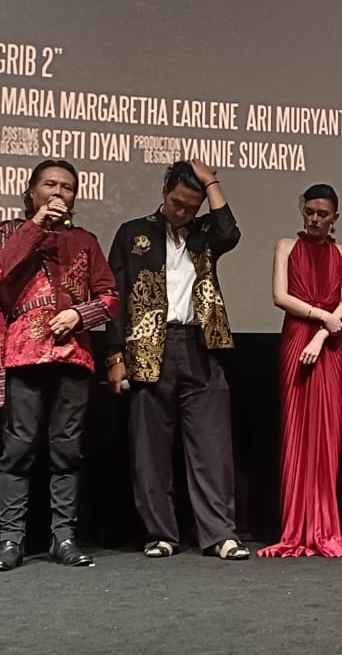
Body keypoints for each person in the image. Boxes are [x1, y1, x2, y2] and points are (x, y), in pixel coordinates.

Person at [105, 160, 250, 561]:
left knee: (212, 446)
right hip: (147, 347)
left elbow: (230, 231)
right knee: (149, 449)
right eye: (176, 203)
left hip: (200, 345)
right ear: (164, 191)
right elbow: (115, 296)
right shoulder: (133, 233)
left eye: (191, 206)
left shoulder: (205, 234)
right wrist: (115, 355)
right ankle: (161, 533)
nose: (182, 212)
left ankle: (220, 534)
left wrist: (210, 180)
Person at [0, 160, 118, 571]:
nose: (59, 193)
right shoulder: (8, 231)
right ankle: (11, 540)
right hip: (23, 354)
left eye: (67, 187)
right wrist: (38, 224)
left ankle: (64, 536)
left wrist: (80, 314)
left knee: (67, 450)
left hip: (71, 355)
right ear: (32, 191)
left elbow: (110, 297)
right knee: (18, 449)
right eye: (50, 185)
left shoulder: (84, 240)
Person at [258, 185, 342, 558]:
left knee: (327, 432)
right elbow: (281, 296)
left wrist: (321, 335)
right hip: (296, 338)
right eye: (310, 212)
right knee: (296, 429)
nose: (315, 219)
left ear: (335, 217)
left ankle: (323, 527)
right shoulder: (286, 246)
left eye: (323, 213)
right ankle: (295, 527)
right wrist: (322, 318)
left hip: (330, 344)